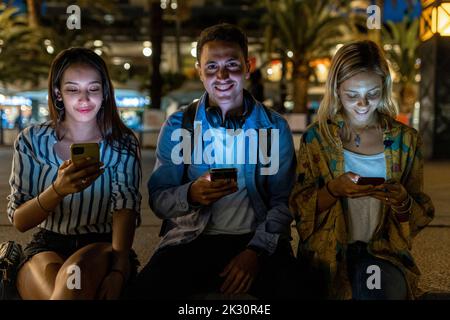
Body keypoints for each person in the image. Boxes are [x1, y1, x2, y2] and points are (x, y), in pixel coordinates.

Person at [126, 23, 317, 300]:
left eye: (232, 64)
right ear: (199, 71)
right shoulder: (181, 126)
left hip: (257, 239)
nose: (223, 75)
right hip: (192, 238)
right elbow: (158, 199)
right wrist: (190, 193)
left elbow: (283, 201)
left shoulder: (273, 128)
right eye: (212, 66)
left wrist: (256, 252)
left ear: (248, 67)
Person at [289, 40, 435, 300]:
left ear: (385, 87)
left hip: (383, 251)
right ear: (336, 90)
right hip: (327, 253)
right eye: (352, 95)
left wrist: (401, 201)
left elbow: (418, 215)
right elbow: (299, 209)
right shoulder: (317, 139)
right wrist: (334, 190)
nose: (363, 104)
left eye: (373, 93)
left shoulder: (405, 140)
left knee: (376, 292)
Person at [7, 48, 142, 300]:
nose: (84, 99)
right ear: (58, 93)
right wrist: (57, 190)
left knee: (73, 277)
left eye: (93, 88)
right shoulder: (32, 140)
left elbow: (126, 207)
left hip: (103, 246)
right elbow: (20, 220)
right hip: (47, 245)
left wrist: (119, 269)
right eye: (72, 89)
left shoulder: (121, 143)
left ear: (104, 92)